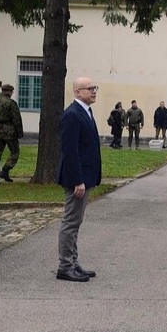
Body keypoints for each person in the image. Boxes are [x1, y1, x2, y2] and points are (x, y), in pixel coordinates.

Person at [56, 77, 102, 282]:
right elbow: (70, 151)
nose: (94, 91)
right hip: (77, 179)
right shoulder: (72, 115)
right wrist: (77, 180)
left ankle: (73, 263)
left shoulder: (86, 111)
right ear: (77, 92)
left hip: (86, 176)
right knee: (70, 222)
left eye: (95, 88)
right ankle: (65, 266)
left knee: (76, 222)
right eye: (89, 88)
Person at [0, 83, 23, 185]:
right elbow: (16, 119)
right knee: (15, 152)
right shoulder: (11, 103)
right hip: (9, 132)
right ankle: (5, 170)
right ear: (8, 92)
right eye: (11, 92)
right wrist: (19, 133)